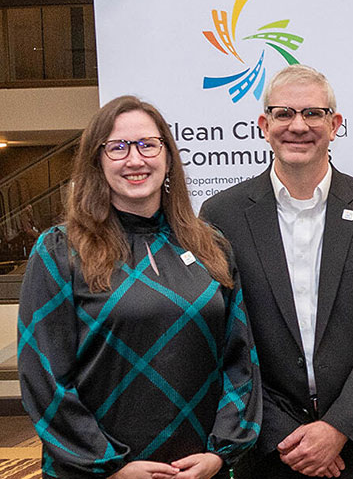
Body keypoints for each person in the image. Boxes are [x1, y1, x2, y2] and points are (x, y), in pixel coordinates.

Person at [200, 64, 353, 479]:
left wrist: (338, 426)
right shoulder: (222, 216)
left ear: (335, 123)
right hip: (275, 446)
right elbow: (224, 337)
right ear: (263, 124)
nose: (298, 126)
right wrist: (286, 434)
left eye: (313, 113)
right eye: (284, 114)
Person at [18, 95, 261, 479]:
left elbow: (240, 360)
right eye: (117, 147)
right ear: (97, 161)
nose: (135, 159)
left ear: (167, 157)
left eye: (148, 145)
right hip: (97, 472)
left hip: (197, 470)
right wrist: (110, 466)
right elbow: (44, 378)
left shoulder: (210, 246)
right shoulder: (60, 251)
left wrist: (220, 452)